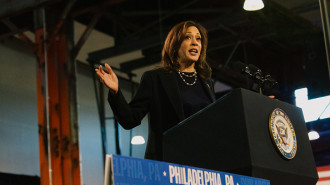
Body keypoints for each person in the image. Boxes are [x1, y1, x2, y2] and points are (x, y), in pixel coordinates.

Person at [95, 20, 216, 161]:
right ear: (175, 45)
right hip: (168, 162)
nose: (195, 42)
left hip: (204, 163)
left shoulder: (207, 83)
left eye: (198, 38)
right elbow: (130, 119)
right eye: (187, 37)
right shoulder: (156, 79)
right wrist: (116, 92)